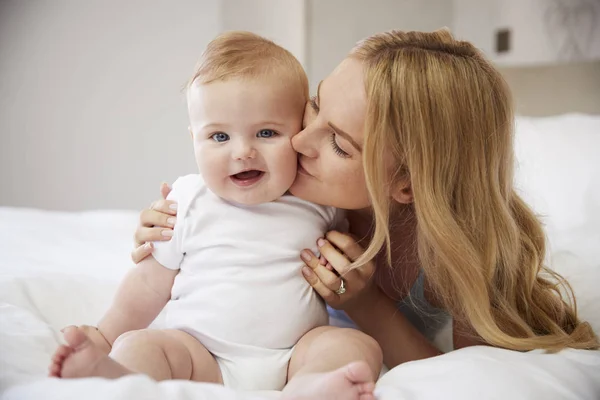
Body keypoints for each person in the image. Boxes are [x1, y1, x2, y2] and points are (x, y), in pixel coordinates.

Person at [136, 28, 599, 379]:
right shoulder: (297, 194)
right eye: (316, 105)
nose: (298, 139)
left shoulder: (466, 258)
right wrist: (168, 226)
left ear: (406, 184)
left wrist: (366, 304)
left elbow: (459, 379)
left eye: (339, 144)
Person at [48, 31, 382, 400]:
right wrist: (105, 335)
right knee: (142, 346)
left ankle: (311, 387)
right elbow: (148, 284)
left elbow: (354, 254)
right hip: (200, 352)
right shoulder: (188, 201)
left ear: (298, 132)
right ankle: (112, 375)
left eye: (267, 132)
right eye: (219, 137)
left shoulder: (320, 202)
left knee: (354, 345)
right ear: (194, 139)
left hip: (293, 354)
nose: (243, 152)